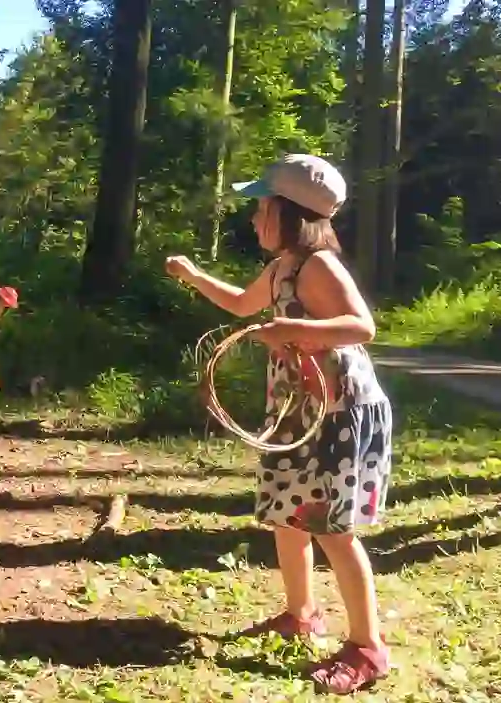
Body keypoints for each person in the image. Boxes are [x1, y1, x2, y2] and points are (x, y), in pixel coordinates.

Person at [163, 154, 392, 695]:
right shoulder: (284, 266)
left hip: (338, 414)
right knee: (288, 518)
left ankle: (368, 647)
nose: (254, 218)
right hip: (299, 412)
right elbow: (244, 304)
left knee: (332, 530)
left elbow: (363, 326)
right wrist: (195, 277)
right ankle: (302, 614)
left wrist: (292, 326)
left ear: (290, 213)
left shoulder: (318, 265)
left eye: (262, 207)